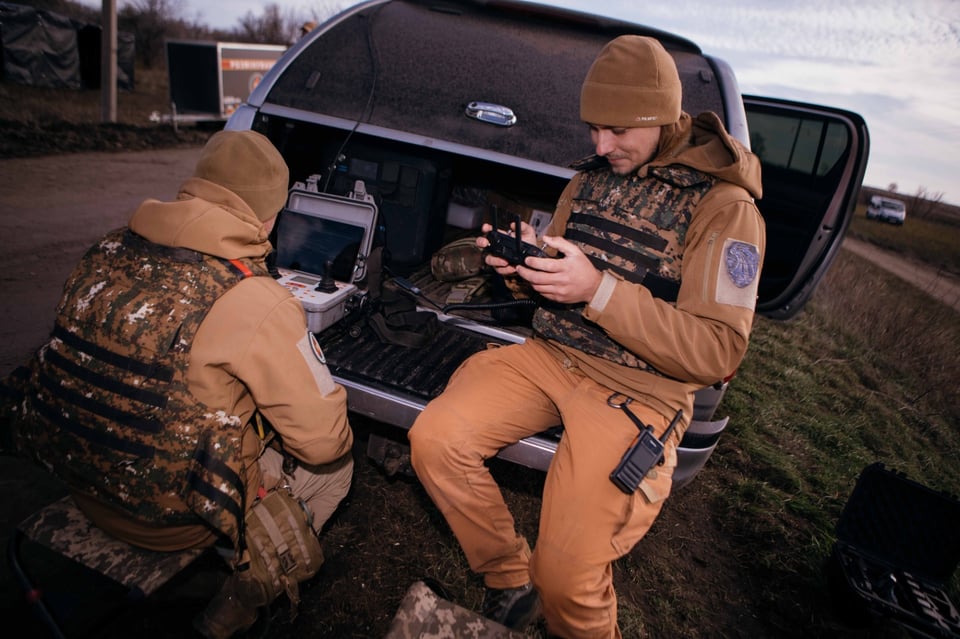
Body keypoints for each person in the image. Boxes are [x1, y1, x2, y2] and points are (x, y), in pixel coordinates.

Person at [408, 35, 765, 638]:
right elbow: (559, 288)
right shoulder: (590, 181)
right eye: (594, 128)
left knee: (568, 574)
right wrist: (525, 274)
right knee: (435, 438)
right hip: (553, 356)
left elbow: (717, 350)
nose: (601, 144)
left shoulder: (726, 208)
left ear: (659, 116)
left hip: (640, 392)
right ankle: (508, 580)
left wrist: (597, 290)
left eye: (618, 130)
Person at [0, 130, 354, 638]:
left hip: (82, 484)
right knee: (336, 467)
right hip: (169, 520)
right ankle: (244, 596)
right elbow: (323, 441)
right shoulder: (257, 299)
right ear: (272, 215)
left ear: (195, 186)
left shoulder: (105, 251)